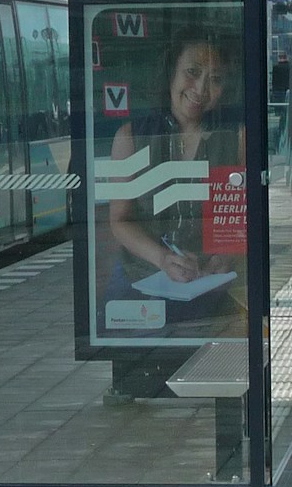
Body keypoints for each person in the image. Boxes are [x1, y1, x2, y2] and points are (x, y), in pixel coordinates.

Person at [104, 31, 243, 322]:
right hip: (140, 280)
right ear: (171, 72)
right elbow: (119, 220)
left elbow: (243, 216)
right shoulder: (130, 137)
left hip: (210, 282)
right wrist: (162, 259)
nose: (201, 89)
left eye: (215, 79)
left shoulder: (236, 139)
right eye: (192, 72)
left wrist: (227, 255)